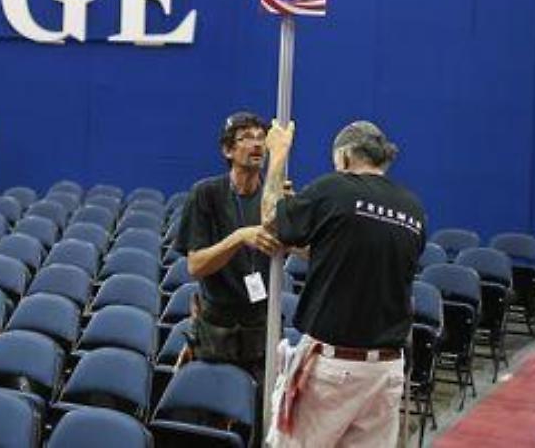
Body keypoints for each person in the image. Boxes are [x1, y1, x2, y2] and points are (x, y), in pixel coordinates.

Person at [260, 120, 426, 448]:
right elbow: (342, 252)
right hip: (386, 370)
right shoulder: (414, 209)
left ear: (346, 156)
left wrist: (278, 156)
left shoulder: (335, 187)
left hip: (334, 369)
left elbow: (270, 221)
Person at [174, 111, 282, 383]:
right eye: (246, 138)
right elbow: (196, 266)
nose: (257, 144)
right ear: (228, 150)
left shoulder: (275, 197)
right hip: (216, 330)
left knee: (259, 414)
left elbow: (305, 251)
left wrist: (290, 217)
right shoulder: (206, 194)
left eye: (261, 138)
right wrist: (239, 237)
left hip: (261, 327)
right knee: (213, 411)